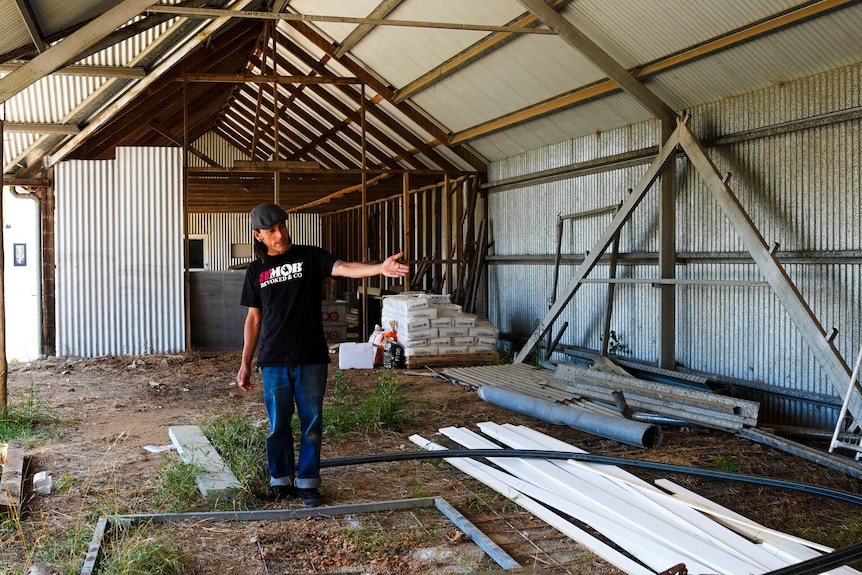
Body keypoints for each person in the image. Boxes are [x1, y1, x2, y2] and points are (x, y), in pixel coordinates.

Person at [236, 202, 408, 507]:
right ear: (258, 235)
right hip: (274, 359)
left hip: (311, 356)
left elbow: (345, 268)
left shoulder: (310, 256)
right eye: (272, 230)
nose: (280, 234)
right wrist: (244, 364)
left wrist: (379, 268)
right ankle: (280, 481)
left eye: (282, 226)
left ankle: (308, 483)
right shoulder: (256, 270)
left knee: (311, 423)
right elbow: (253, 319)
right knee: (278, 424)